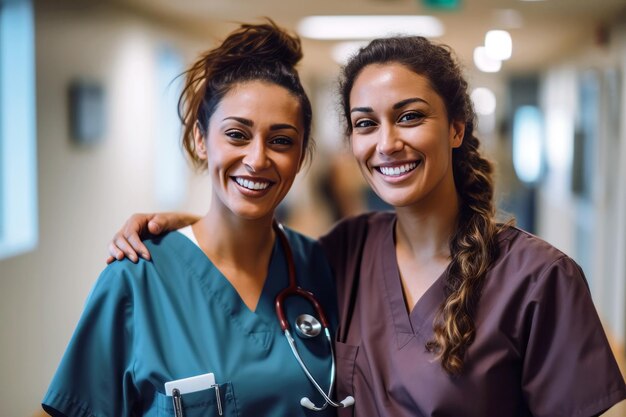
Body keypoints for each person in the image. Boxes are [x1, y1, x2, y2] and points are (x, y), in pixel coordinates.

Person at [107, 35, 626, 417]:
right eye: (365, 123)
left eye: (410, 116)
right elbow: (246, 249)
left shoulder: (538, 279)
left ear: (457, 128)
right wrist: (187, 231)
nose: (386, 143)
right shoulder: (341, 253)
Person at [43, 21, 341, 417]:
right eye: (237, 134)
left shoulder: (321, 268)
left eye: (281, 140)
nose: (257, 159)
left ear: (301, 154)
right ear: (201, 139)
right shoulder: (138, 276)